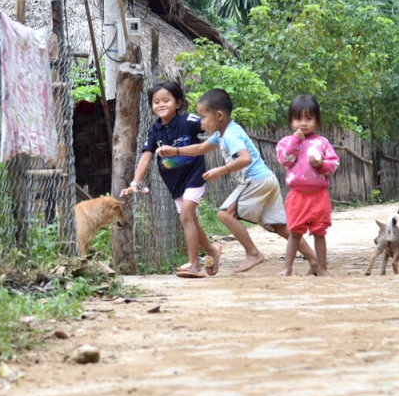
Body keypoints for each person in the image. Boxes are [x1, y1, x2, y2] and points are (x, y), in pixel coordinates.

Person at [157, 88, 312, 274]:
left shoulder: (231, 134)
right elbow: (200, 148)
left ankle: (253, 253)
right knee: (281, 227)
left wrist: (222, 170)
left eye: (204, 117)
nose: (202, 122)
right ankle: (315, 261)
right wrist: (175, 151)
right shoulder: (221, 134)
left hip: (256, 180)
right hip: (267, 180)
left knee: (225, 214)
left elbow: (245, 159)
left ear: (219, 115)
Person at [121, 80, 220, 278]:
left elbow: (210, 125)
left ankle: (194, 264)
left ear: (178, 103)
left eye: (166, 100)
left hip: (194, 177)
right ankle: (212, 250)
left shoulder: (188, 121)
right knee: (190, 219)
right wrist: (134, 183)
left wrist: (216, 117)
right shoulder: (155, 130)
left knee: (185, 216)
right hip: (174, 183)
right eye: (156, 101)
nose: (161, 104)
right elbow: (146, 157)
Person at [275, 95, 339, 277]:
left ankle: (322, 268)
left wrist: (321, 165)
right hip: (297, 196)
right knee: (294, 233)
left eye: (309, 119)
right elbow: (285, 160)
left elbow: (334, 164)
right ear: (291, 121)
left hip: (319, 195)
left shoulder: (322, 143)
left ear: (317, 121)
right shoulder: (286, 143)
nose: (303, 123)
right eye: (298, 119)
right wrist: (296, 141)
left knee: (320, 233)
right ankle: (287, 268)